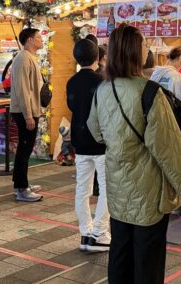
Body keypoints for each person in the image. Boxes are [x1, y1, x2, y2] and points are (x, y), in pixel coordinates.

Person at [87, 24, 181, 283]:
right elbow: (168, 146)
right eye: (144, 43)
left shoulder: (104, 89)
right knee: (148, 258)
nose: (147, 47)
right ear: (134, 51)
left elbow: (95, 129)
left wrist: (119, 140)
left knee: (120, 253)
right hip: (148, 190)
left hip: (117, 184)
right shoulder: (150, 92)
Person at [66, 39, 110, 252]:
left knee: (82, 190)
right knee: (106, 189)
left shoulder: (71, 81)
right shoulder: (102, 81)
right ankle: (99, 234)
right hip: (101, 143)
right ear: (98, 58)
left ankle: (85, 233)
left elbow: (72, 106)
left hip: (80, 142)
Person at [10, 28, 45, 202]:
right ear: (29, 40)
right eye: (38, 37)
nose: (41, 40)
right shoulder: (23, 58)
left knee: (26, 148)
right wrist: (28, 115)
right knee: (24, 149)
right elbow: (23, 89)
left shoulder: (29, 58)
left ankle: (20, 182)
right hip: (25, 111)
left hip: (30, 109)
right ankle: (22, 189)